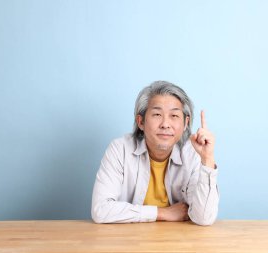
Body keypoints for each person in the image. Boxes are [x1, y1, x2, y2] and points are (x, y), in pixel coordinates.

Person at [91, 81, 219, 226]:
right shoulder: (120, 149)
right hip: (130, 241)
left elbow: (204, 218)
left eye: (174, 116)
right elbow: (100, 210)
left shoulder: (192, 154)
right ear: (140, 122)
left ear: (185, 123)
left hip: (179, 242)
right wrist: (162, 213)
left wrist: (207, 159)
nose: (165, 124)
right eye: (157, 114)